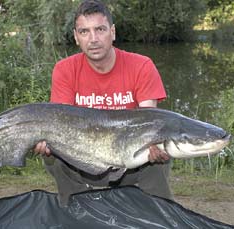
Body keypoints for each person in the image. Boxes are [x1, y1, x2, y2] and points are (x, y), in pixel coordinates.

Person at [34, 0, 172, 206]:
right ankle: (78, 210)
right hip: (83, 162)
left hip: (133, 162)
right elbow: (60, 125)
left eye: (100, 29)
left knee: (159, 153)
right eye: (84, 32)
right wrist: (47, 143)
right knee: (54, 154)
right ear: (76, 37)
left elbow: (149, 124)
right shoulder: (64, 69)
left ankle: (157, 212)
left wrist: (154, 146)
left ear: (113, 32)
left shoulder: (142, 66)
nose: (93, 39)